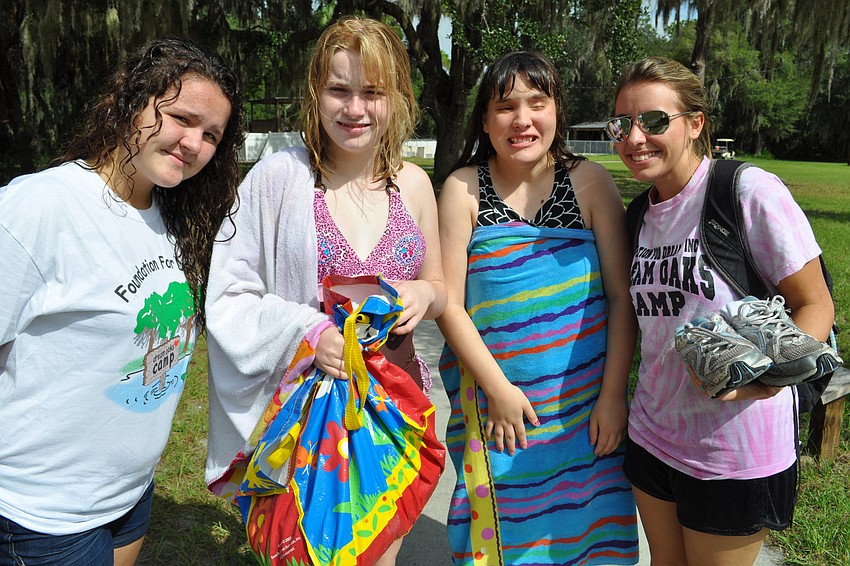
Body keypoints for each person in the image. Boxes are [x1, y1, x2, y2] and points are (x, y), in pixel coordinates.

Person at [204, 16, 446, 566]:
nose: (355, 108)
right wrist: (311, 334)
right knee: (310, 550)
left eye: (372, 92)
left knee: (381, 549)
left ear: (398, 97)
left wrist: (422, 295)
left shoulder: (413, 183)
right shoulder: (279, 178)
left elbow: (440, 288)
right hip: (310, 414)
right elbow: (229, 290)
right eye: (339, 89)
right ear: (316, 93)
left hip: (398, 405)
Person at [0, 37, 244, 565]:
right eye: (181, 118)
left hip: (129, 495)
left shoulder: (173, 220)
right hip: (44, 516)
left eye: (211, 135)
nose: (194, 143)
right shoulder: (41, 206)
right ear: (131, 104)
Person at [607, 56, 835, 566]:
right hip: (653, 433)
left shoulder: (746, 191)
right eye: (622, 124)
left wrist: (765, 381)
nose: (635, 138)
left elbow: (815, 303)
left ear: (695, 123)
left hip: (735, 448)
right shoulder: (639, 213)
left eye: (654, 121)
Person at [437, 51, 639, 566]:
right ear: (485, 121)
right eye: (505, 106)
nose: (522, 119)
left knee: (590, 536)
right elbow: (450, 305)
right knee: (501, 536)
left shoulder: (591, 183)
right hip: (498, 411)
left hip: (585, 413)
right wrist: (498, 390)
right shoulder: (463, 189)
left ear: (557, 111)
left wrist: (613, 397)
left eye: (537, 103)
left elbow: (621, 298)